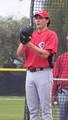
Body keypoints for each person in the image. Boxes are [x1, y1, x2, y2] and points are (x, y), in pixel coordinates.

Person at [17, 10, 59, 120]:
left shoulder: (51, 35)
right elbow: (19, 53)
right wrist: (23, 41)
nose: (38, 20)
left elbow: (45, 54)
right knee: (33, 110)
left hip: (44, 73)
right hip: (30, 73)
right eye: (36, 18)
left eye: (41, 18)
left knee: (46, 109)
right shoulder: (31, 35)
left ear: (47, 20)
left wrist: (29, 44)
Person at [52, 35, 68, 120]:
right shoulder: (61, 58)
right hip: (63, 92)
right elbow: (55, 78)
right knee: (61, 118)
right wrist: (53, 94)